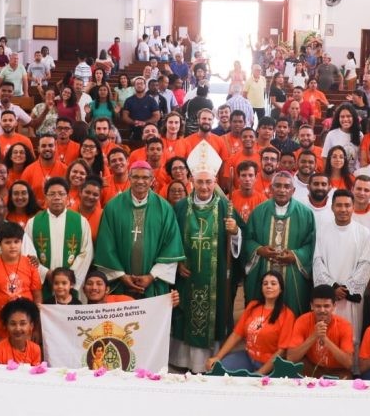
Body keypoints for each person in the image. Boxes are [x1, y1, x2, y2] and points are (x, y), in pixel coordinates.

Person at [169, 142, 239, 372]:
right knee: (185, 314)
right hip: (187, 276)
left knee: (213, 314)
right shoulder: (180, 208)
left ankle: (210, 361)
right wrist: (177, 262)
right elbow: (170, 239)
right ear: (192, 182)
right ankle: (184, 362)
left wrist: (235, 231)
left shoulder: (226, 208)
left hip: (215, 279)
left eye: (209, 181)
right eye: (200, 181)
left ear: (215, 182)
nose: (204, 186)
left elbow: (242, 237)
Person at [93, 161, 185, 297]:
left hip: (153, 284)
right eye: (136, 177)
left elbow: (171, 247)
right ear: (129, 178)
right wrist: (122, 276)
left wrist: (151, 276)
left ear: (152, 180)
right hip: (121, 284)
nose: (140, 181)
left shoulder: (164, 208)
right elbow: (106, 245)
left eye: (145, 177)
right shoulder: (113, 207)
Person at [242, 171, 316, 316]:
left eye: (287, 186)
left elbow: (311, 244)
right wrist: (259, 250)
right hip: (264, 269)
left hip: (293, 273)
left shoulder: (306, 214)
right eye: (278, 186)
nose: (282, 190)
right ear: (271, 188)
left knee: (293, 311)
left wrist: (295, 255)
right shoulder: (258, 212)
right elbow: (247, 240)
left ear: (293, 190)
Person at [204, 271, 294, 375]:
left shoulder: (287, 314)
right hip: (248, 357)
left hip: (268, 364)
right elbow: (236, 334)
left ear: (281, 289)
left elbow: (281, 351)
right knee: (217, 370)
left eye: (273, 283)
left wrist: (260, 373)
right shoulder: (252, 306)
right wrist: (217, 357)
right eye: (265, 283)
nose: (268, 286)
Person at [312, 189, 370, 339]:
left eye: (347, 205)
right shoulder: (322, 231)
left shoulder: (363, 232)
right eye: (339, 205)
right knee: (326, 333)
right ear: (332, 207)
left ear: (353, 207)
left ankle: (348, 362)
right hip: (328, 296)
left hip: (351, 296)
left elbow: (365, 264)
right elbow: (317, 262)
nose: (343, 209)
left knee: (350, 336)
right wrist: (332, 288)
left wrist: (347, 289)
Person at [22, 177, 94, 299]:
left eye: (61, 194)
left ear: (67, 197)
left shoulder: (80, 221)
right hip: (44, 283)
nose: (57, 197)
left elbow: (86, 252)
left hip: (71, 282)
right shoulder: (33, 223)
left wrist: (68, 277)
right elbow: (27, 254)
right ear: (45, 197)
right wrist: (45, 273)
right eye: (52, 194)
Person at [0, 222, 42, 347]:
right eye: (7, 242)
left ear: (21, 243)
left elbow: (37, 296)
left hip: (27, 329)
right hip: (0, 330)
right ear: (0, 244)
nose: (12, 246)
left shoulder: (30, 264)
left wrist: (37, 327)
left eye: (16, 242)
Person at [284, 284, 354, 378]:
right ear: (311, 306)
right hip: (312, 368)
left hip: (337, 371)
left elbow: (349, 364)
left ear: (334, 306)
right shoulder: (302, 321)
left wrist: (325, 339)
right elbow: (291, 358)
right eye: (318, 306)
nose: (322, 310)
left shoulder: (345, 325)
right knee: (297, 366)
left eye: (326, 306)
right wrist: (314, 336)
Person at [0, 298, 42, 365]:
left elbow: (35, 374)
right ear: (6, 325)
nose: (18, 328)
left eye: (22, 323)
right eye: (13, 324)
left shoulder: (35, 350)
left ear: (31, 326)